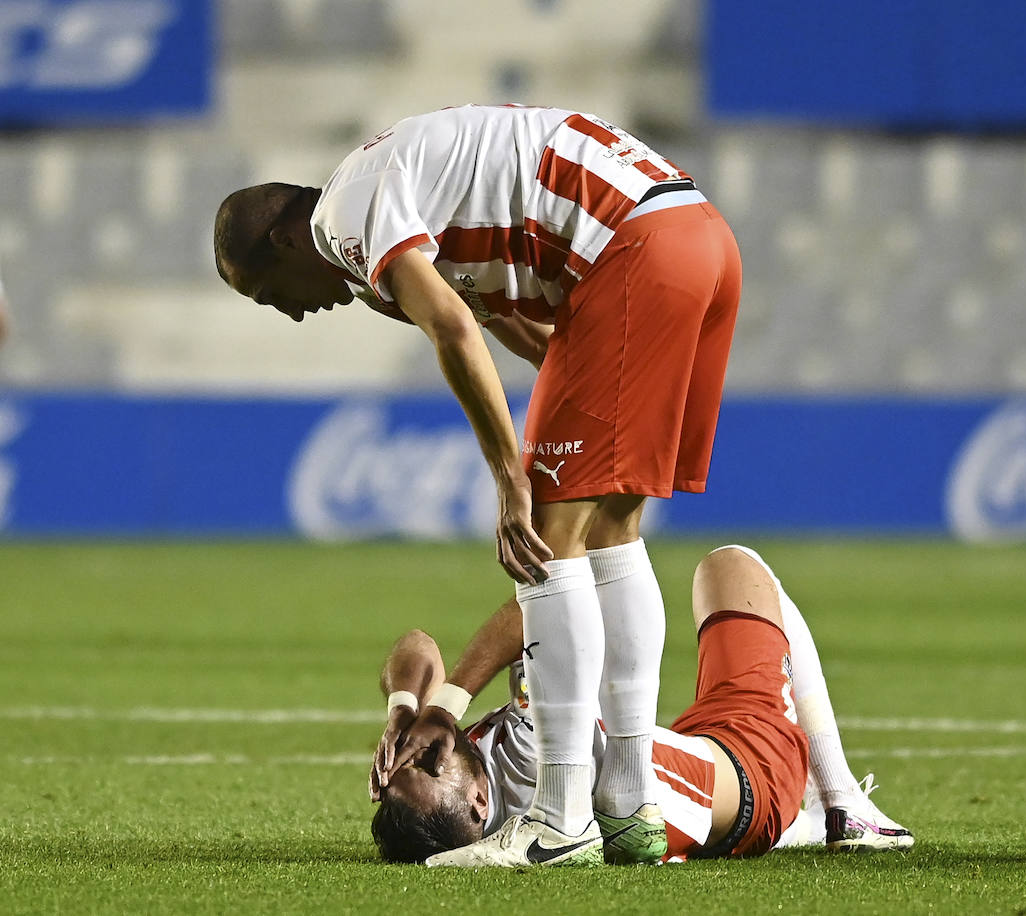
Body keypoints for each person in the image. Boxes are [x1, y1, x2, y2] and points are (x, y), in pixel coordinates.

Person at [213, 104, 742, 865]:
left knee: (546, 542)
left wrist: (510, 477)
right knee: (614, 531)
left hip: (630, 250)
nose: (292, 313)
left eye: (268, 292)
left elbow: (454, 331)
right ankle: (628, 807)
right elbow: (504, 322)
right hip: (694, 235)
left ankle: (562, 820)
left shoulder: (342, 217)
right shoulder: (391, 203)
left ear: (282, 240)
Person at [368, 545, 914, 866]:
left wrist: (406, 710)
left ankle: (805, 821)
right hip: (753, 768)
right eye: (427, 763)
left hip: (690, 763)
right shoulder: (535, 760)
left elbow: (416, 646)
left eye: (404, 764)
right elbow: (550, 594)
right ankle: (844, 802)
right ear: (482, 804)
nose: (421, 752)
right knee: (734, 569)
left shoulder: (449, 803)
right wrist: (450, 702)